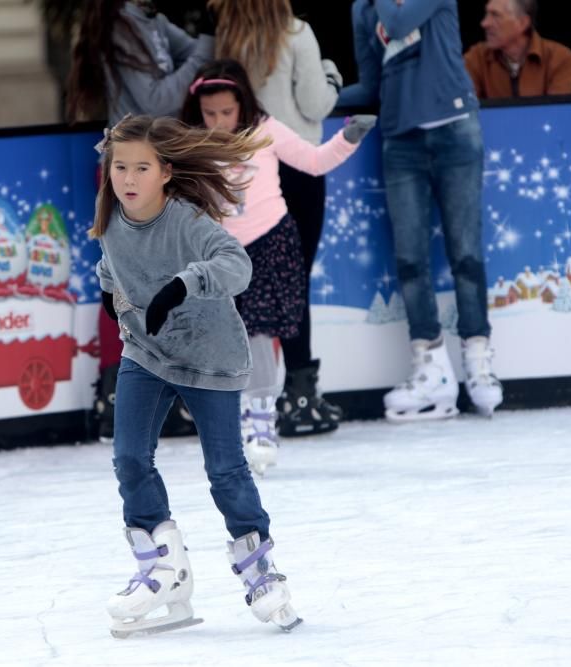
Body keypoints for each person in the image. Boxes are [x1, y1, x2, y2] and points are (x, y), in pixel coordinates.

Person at [94, 114, 301, 636]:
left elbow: (237, 263)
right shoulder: (112, 218)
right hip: (146, 352)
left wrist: (185, 285)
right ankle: (162, 567)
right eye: (120, 167)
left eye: (141, 167)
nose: (129, 179)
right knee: (129, 458)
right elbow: (112, 265)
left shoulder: (186, 220)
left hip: (210, 358)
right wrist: (110, 294)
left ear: (165, 171)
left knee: (226, 470)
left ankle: (260, 569)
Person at [181, 60, 374, 474]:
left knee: (259, 332)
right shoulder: (191, 143)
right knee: (221, 334)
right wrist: (117, 152)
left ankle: (263, 418)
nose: (218, 122)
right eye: (209, 113)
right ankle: (226, 417)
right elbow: (157, 174)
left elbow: (315, 161)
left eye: (226, 112)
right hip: (218, 251)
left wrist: (349, 137)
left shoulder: (265, 129)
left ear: (242, 104)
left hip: (269, 242)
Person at [66, 0, 216, 441]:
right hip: (131, 168)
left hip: (157, 165)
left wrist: (203, 42)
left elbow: (197, 51)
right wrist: (203, 48)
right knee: (124, 279)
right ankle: (117, 394)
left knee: (170, 278)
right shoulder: (118, 25)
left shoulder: (150, 20)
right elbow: (160, 98)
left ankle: (170, 390)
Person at [348, 0, 503, 421]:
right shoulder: (363, 9)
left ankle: (478, 359)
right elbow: (370, 85)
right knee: (410, 260)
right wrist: (309, 97)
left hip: (455, 130)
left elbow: (398, 23)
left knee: (466, 252)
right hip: (400, 142)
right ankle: (430, 367)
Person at [209, 0, 347, 438]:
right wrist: (331, 73)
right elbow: (314, 101)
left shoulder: (227, 37)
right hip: (296, 160)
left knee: (239, 284)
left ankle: (242, 395)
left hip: (246, 166)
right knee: (293, 280)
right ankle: (299, 395)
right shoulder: (295, 33)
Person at [463, 0, 571, 99]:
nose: (484, 23)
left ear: (523, 23)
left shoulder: (558, 57)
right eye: (487, 14)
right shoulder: (476, 57)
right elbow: (467, 112)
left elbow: (557, 114)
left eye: (495, 15)